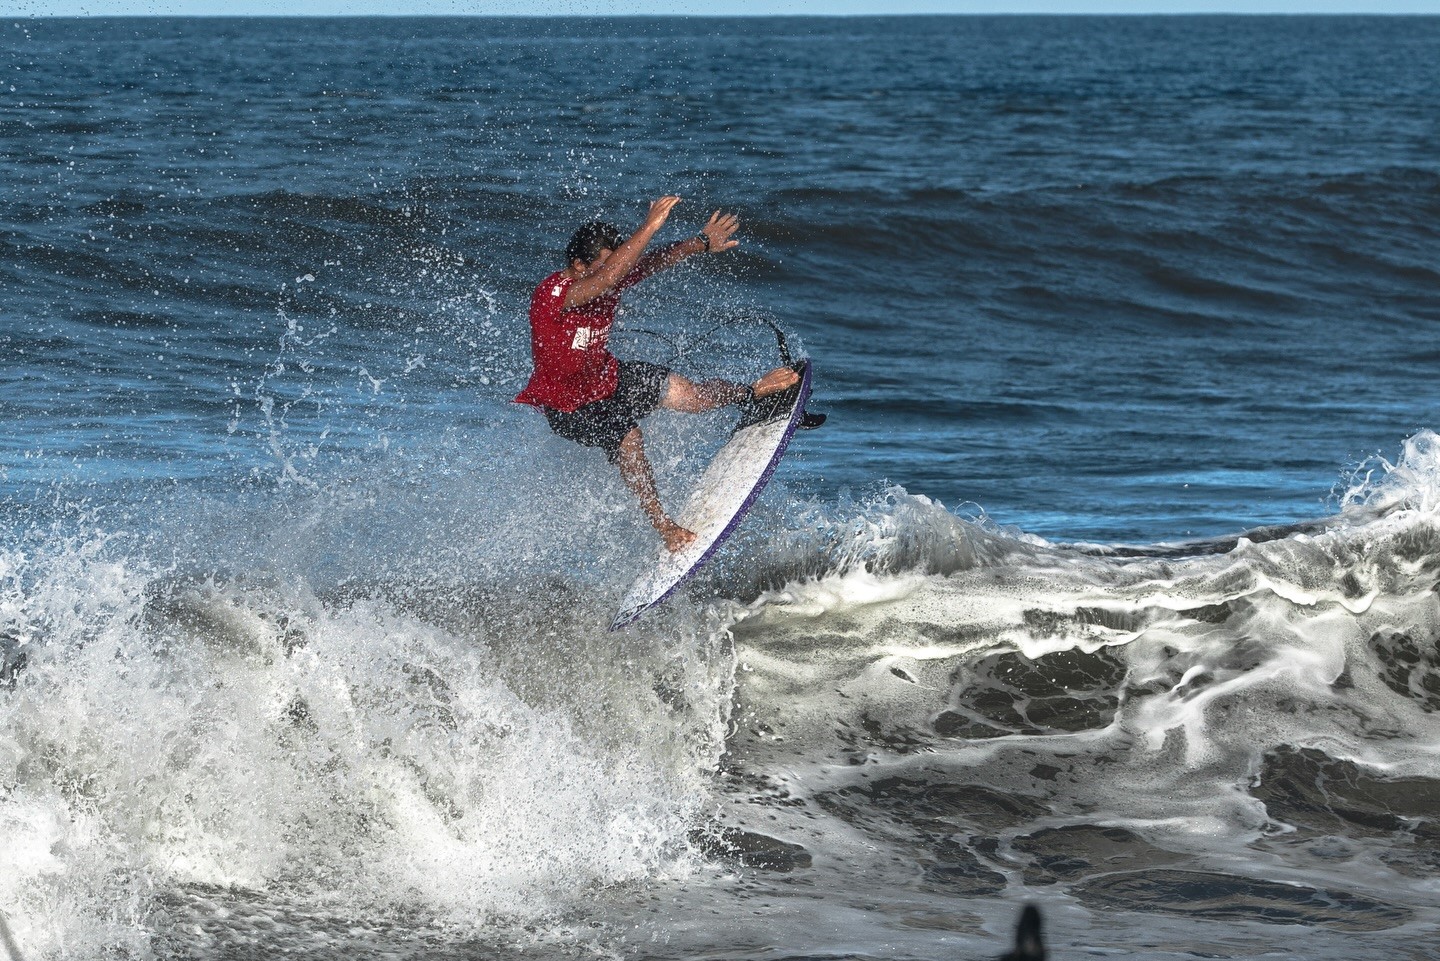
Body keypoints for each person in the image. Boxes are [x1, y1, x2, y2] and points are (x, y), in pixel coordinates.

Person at [516, 196, 799, 552]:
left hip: (609, 377)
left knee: (691, 396)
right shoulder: (553, 294)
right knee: (629, 437)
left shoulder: (607, 277)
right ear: (577, 265)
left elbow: (648, 262)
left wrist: (700, 242)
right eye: (606, 264)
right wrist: (649, 224)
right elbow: (609, 277)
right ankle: (664, 527)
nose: (616, 271)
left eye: (614, 263)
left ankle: (752, 392)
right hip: (569, 407)